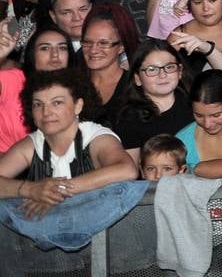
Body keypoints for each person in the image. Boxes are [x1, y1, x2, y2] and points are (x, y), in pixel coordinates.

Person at [0, 69, 140, 212]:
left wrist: (56, 191)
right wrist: (29, 189)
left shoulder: (96, 137)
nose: (46, 112)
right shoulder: (33, 143)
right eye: (38, 104)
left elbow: (127, 170)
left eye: (57, 103)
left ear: (78, 106)